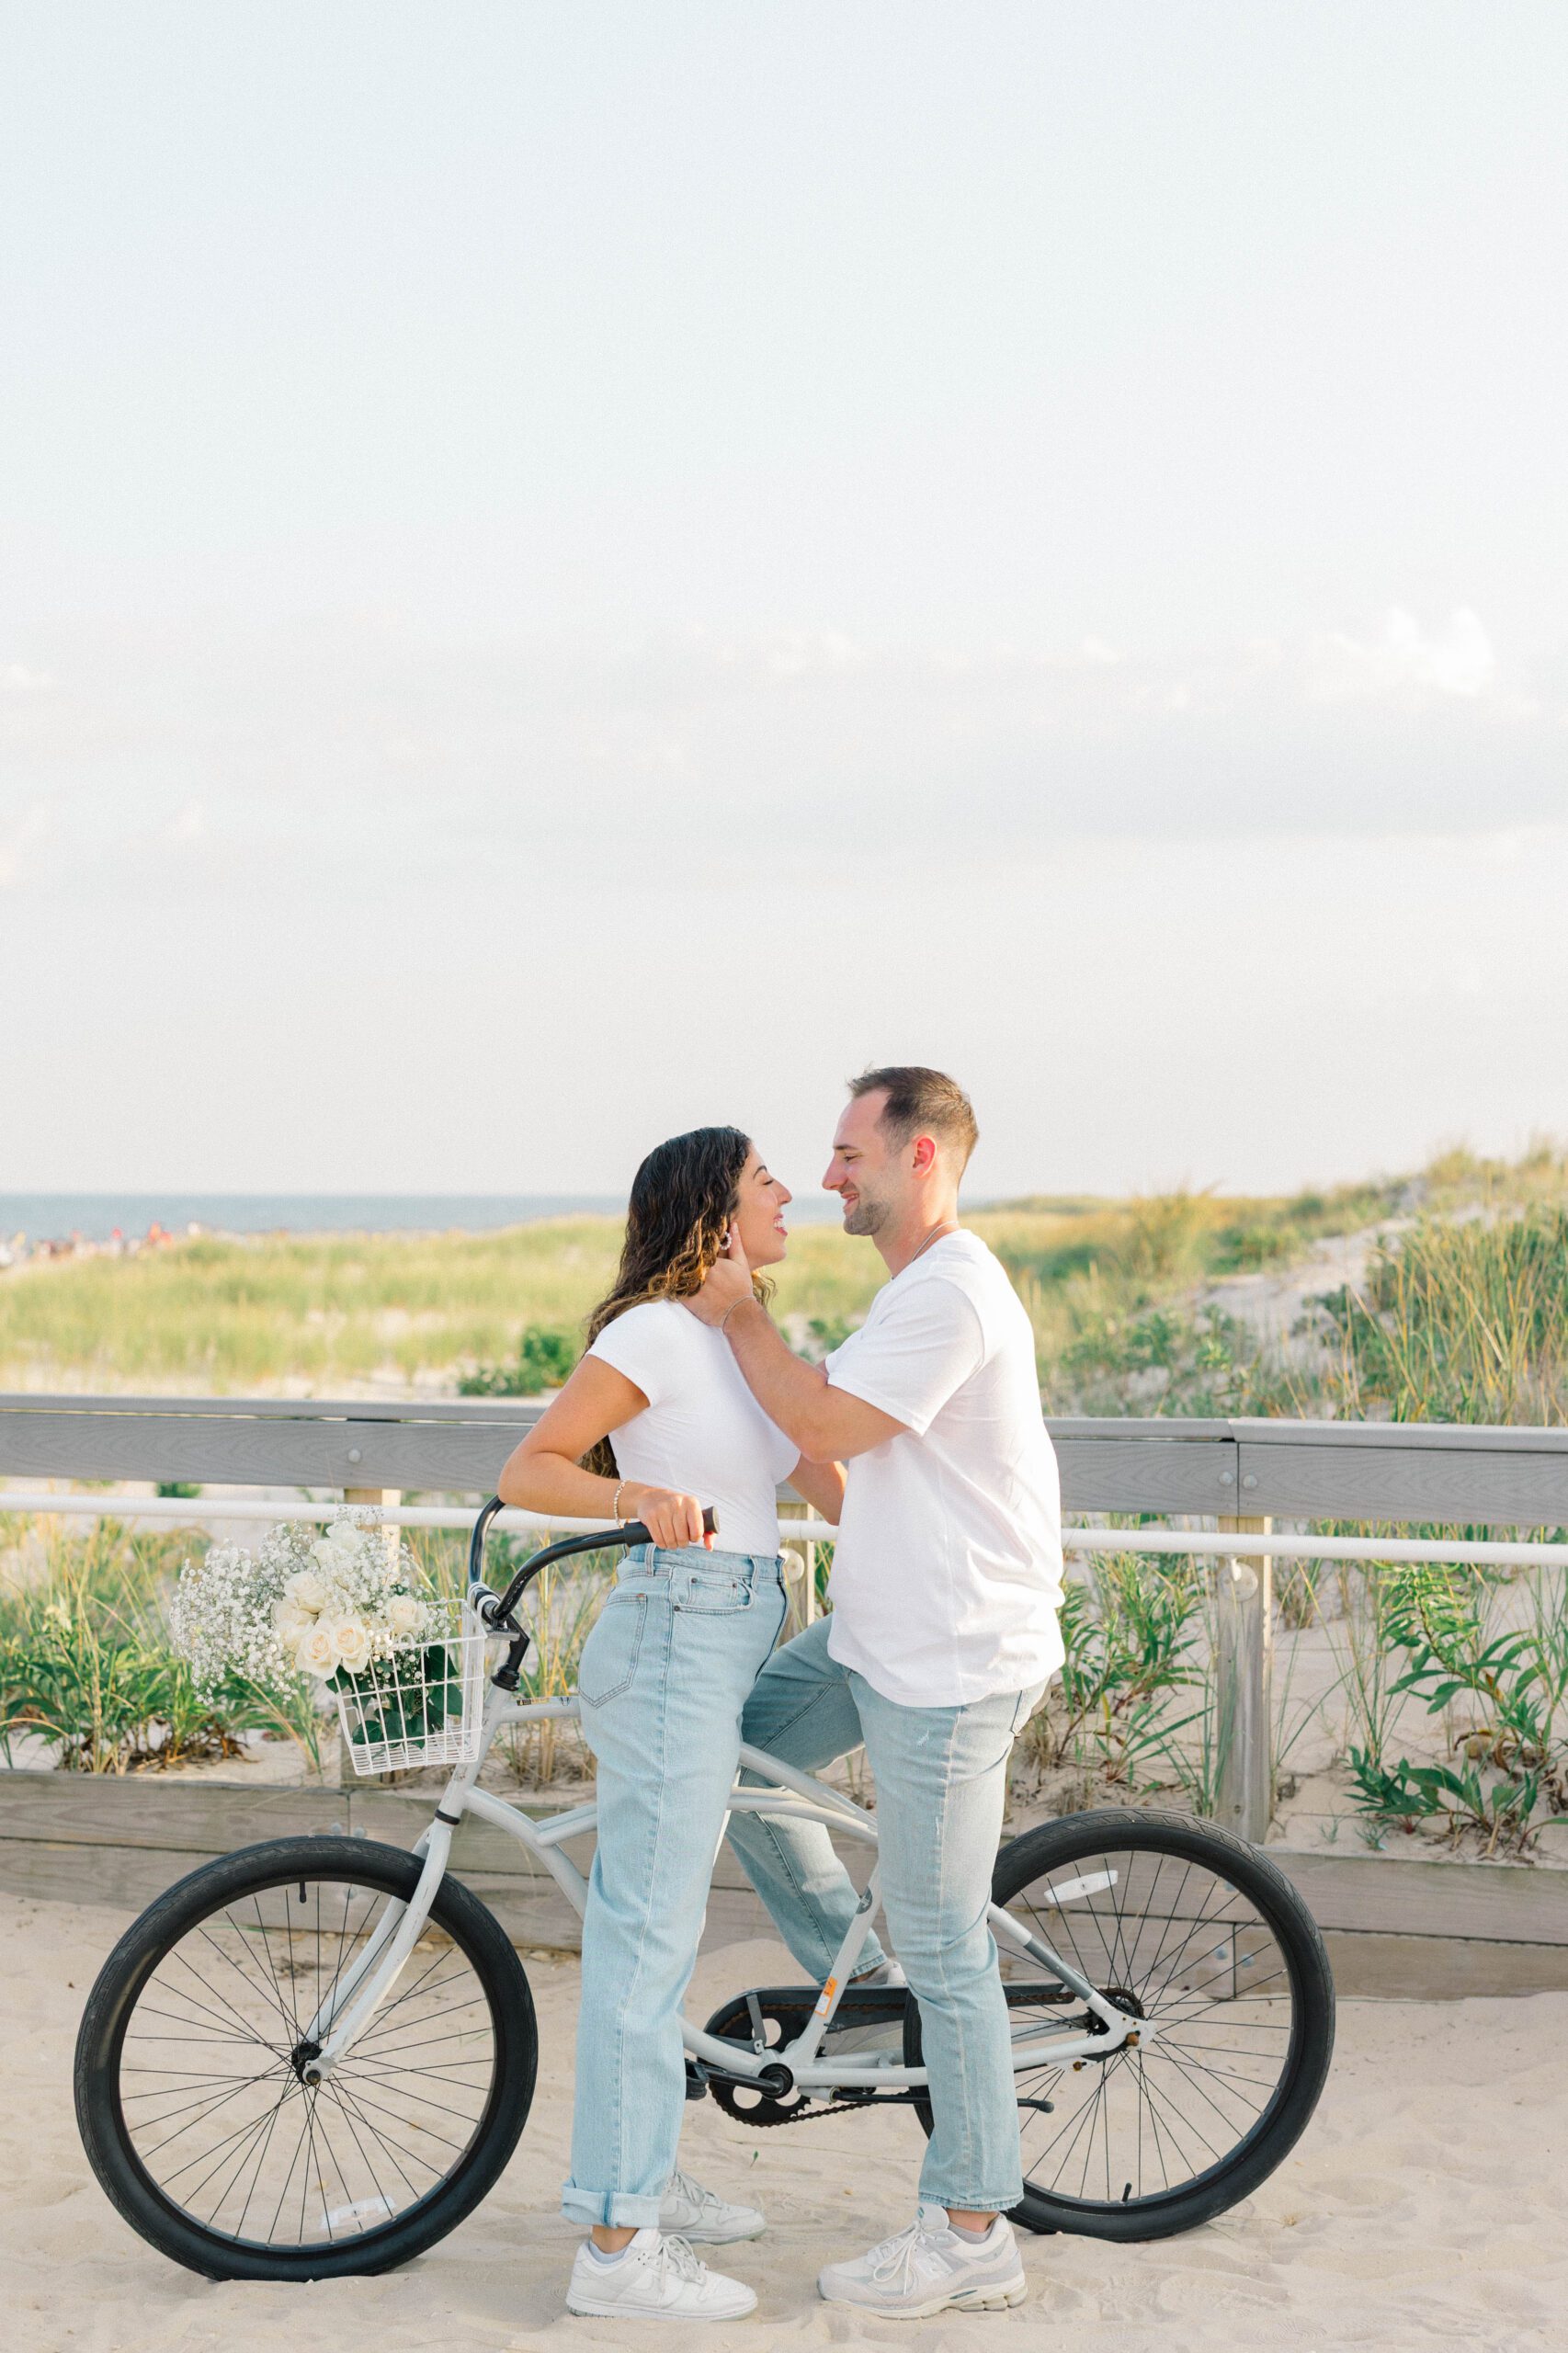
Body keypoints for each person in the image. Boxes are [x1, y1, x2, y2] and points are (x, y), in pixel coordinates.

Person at [688, 1065, 1064, 2319]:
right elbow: (841, 1468)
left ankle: (970, 2235)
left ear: (920, 1158)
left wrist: (742, 1319)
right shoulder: (911, 1296)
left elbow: (833, 1429)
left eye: (849, 1152)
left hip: (950, 1664)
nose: (829, 1174)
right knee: (733, 1755)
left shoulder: (949, 1290)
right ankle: (865, 2007)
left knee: (944, 1935)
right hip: (876, 1635)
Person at [496, 1126, 845, 2323]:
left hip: (736, 1624)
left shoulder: (738, 1340)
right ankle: (614, 2250)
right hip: (673, 1634)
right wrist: (634, 1494)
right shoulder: (650, 1331)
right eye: (763, 1183)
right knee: (644, 1945)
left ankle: (647, 2178)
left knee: (671, 1923)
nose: (788, 1193)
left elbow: (827, 1480)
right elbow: (530, 1467)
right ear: (711, 1210)